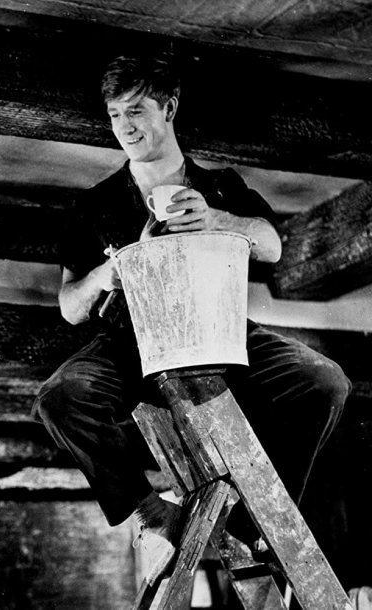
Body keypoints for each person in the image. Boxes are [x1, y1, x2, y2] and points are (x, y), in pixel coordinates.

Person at [32, 53, 350, 586]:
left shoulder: (218, 184)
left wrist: (215, 219)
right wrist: (110, 272)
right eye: (115, 115)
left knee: (324, 382)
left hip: (219, 336)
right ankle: (148, 513)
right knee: (61, 396)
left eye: (137, 110)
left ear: (170, 108)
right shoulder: (95, 205)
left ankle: (262, 513)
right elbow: (70, 306)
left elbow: (272, 245)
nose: (125, 127)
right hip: (132, 345)